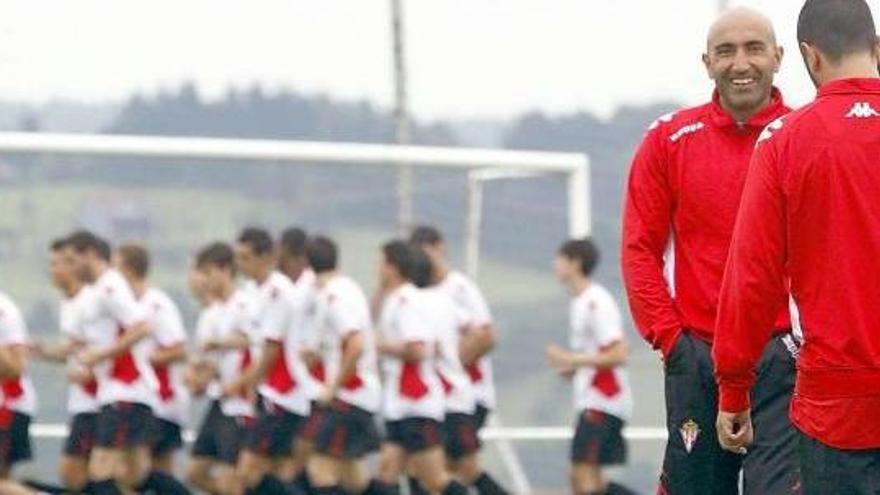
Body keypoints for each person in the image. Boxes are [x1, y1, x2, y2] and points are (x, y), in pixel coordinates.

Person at [620, 7, 800, 494]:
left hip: (787, 359)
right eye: (726, 52)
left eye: (754, 49)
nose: (740, 63)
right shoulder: (667, 141)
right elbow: (639, 248)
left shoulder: (804, 136)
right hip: (698, 355)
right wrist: (673, 342)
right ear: (706, 63)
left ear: (779, 57)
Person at [714, 0, 880, 492]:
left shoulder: (784, 141)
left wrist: (733, 389)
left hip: (836, 402)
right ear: (877, 48)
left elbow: (751, 278)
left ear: (810, 56)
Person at [68, 230, 189, 495]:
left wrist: (101, 355)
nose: (70, 268)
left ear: (90, 255)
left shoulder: (111, 285)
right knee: (136, 476)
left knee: (101, 471)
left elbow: (142, 327)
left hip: (127, 390)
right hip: (119, 392)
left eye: (72, 260)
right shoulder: (99, 289)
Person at [409, 226, 507, 494]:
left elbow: (487, 336)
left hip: (469, 395)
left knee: (452, 470)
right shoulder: (419, 293)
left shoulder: (459, 287)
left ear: (439, 249)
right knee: (439, 471)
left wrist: (453, 363)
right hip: (440, 398)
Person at [374, 240, 467, 495]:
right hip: (400, 404)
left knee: (435, 480)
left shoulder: (406, 300)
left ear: (393, 267)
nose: (377, 269)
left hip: (417, 402)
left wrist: (381, 347)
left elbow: (418, 349)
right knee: (386, 473)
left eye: (381, 263)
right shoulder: (395, 299)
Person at [225, 227, 313, 495]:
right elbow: (255, 340)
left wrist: (246, 383)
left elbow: (272, 349)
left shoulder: (278, 291)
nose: (240, 265)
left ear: (266, 257)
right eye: (238, 258)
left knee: (246, 474)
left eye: (246, 258)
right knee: (275, 471)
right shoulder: (255, 291)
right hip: (272, 391)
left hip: (283, 391)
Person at [546, 239, 635, 495]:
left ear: (575, 263)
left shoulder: (596, 301)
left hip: (604, 400)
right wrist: (572, 369)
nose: (555, 265)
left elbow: (618, 352)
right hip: (594, 400)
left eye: (560, 259)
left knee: (581, 475)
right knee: (589, 480)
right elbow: (594, 355)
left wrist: (571, 359)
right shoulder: (579, 302)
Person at [304, 236, 382, 495]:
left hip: (348, 397)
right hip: (359, 396)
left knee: (320, 470)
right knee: (354, 479)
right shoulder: (349, 288)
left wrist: (332, 387)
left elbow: (355, 344)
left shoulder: (334, 295)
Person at [187, 242, 257, 495]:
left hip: (241, 402)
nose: (205, 281)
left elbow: (256, 341)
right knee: (195, 472)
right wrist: (199, 375)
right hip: (219, 400)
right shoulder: (215, 312)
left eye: (209, 273)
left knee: (232, 478)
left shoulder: (245, 304)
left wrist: (222, 344)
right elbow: (215, 360)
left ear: (225, 270)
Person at [115, 244, 190, 476]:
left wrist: (143, 360)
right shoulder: (127, 305)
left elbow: (179, 351)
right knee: (140, 472)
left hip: (163, 401)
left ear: (127, 269)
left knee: (144, 472)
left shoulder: (157, 304)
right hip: (145, 398)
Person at [29, 239, 97, 492]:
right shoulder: (68, 304)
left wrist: (89, 372)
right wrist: (42, 351)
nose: (52, 270)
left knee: (73, 473)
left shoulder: (91, 301)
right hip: (82, 401)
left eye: (57, 264)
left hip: (97, 402)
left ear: (74, 266)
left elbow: (104, 343)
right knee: (83, 477)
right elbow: (76, 347)